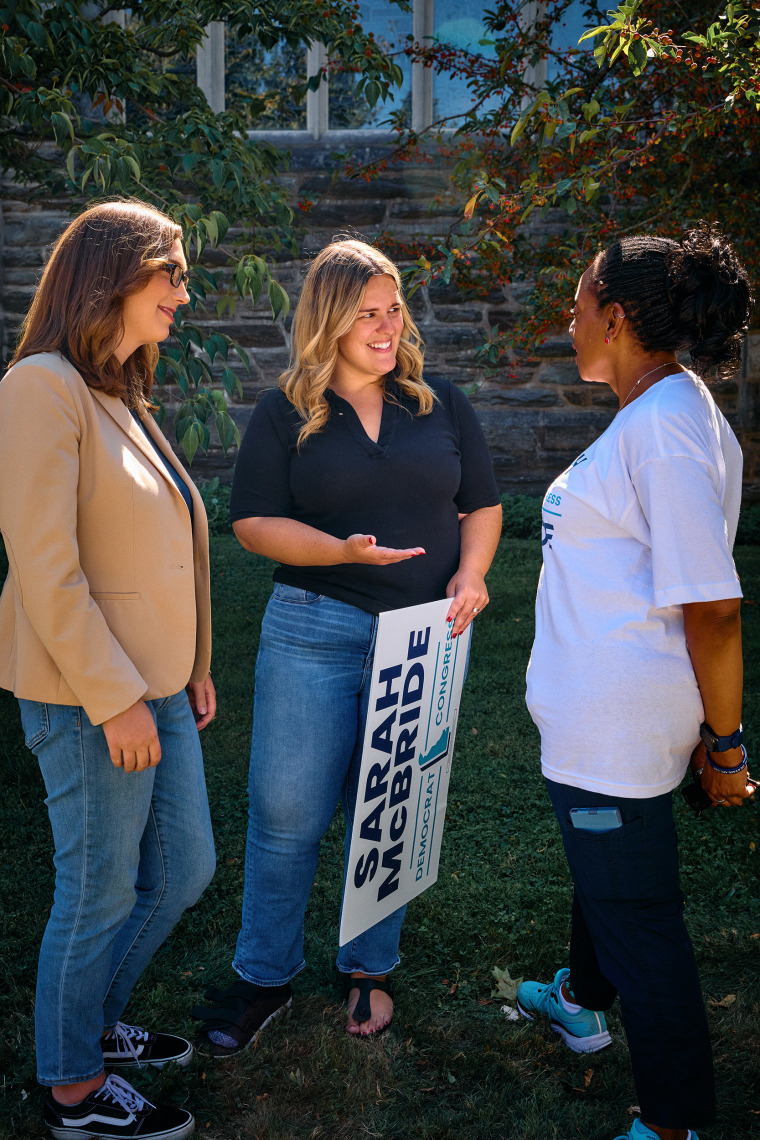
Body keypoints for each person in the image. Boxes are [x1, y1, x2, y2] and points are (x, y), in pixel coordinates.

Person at [191, 238, 502, 1052]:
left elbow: (483, 506)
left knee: (391, 806)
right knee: (286, 809)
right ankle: (264, 977)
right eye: (367, 312)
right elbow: (252, 524)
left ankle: (370, 966)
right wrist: (340, 551)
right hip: (312, 626)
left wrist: (470, 577)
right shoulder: (282, 412)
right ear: (329, 318)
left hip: (420, 637)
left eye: (393, 308)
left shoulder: (439, 405)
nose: (386, 324)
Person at [518, 225, 755, 1140]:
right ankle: (580, 997)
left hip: (614, 733)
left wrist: (727, 745)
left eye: (577, 303)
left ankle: (674, 1123)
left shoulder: (662, 432)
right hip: (606, 726)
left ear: (614, 319)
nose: (567, 318)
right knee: (607, 878)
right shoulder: (664, 412)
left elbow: (715, 609)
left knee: (643, 922)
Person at [0, 200, 217, 1140]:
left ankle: (86, 1024)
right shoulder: (39, 386)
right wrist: (118, 698)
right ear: (111, 277)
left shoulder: (119, 390)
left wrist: (196, 665)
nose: (181, 290)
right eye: (167, 271)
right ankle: (73, 1088)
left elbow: (176, 541)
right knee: (99, 892)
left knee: (184, 871)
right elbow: (46, 567)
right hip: (91, 696)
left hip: (160, 687)